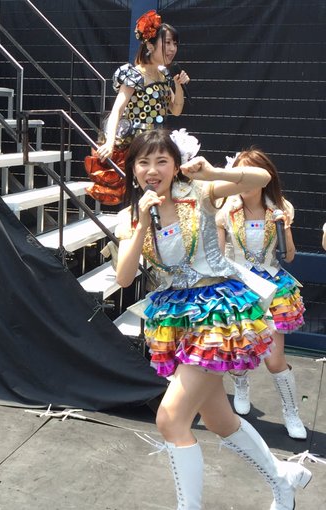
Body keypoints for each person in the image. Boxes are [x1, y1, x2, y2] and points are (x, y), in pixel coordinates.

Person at [114, 130, 311, 509]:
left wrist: (212, 173)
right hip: (177, 319)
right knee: (220, 420)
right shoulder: (131, 217)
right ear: (133, 168)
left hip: (217, 314)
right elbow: (124, 278)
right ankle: (283, 478)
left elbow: (261, 178)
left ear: (175, 166)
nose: (152, 170)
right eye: (143, 162)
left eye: (161, 161)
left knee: (170, 420)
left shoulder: (199, 192)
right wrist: (141, 224)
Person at [216, 148, 307, 440]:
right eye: (239, 176)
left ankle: (291, 412)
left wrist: (285, 227)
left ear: (264, 178)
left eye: (250, 176)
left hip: (272, 285)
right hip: (238, 286)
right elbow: (219, 258)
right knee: (239, 353)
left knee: (274, 359)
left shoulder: (281, 208)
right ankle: (241, 385)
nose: (244, 183)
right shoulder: (225, 210)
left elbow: (289, 255)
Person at [94, 10, 189, 165]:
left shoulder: (164, 75)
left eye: (175, 44)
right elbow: (117, 110)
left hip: (158, 143)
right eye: (167, 43)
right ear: (150, 46)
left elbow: (176, 110)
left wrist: (178, 85)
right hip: (137, 145)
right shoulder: (134, 75)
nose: (172, 49)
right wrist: (110, 142)